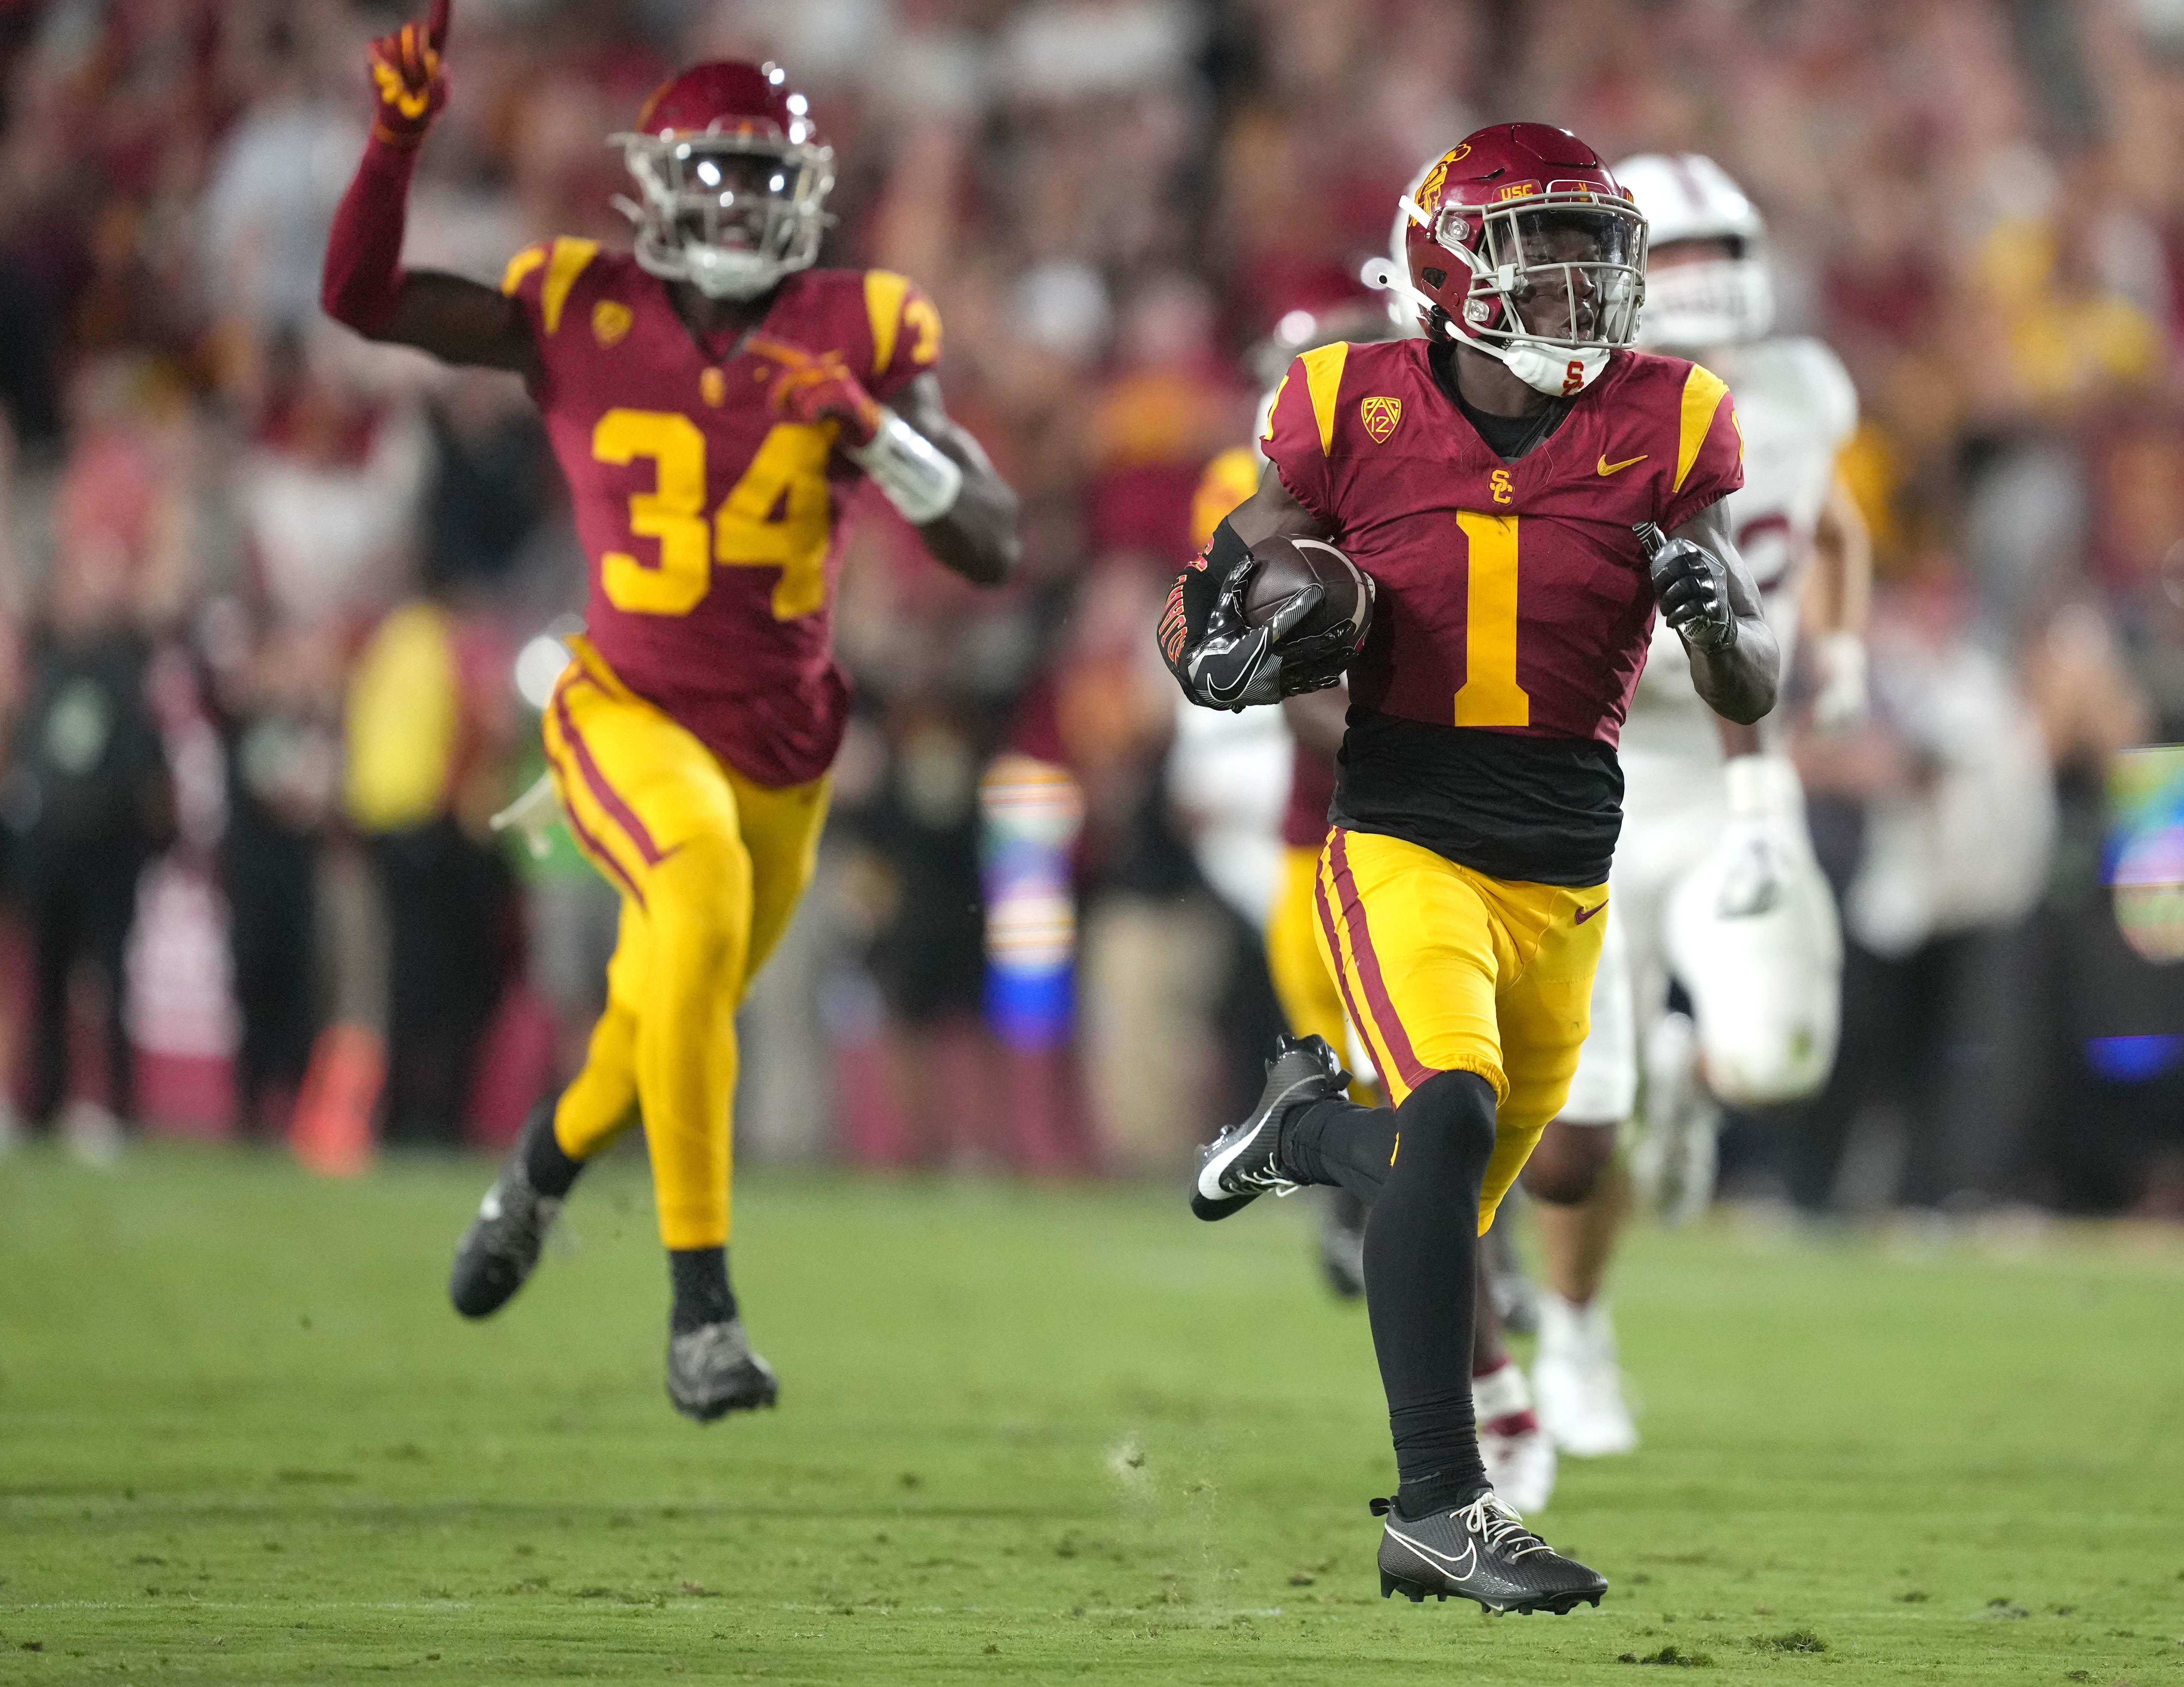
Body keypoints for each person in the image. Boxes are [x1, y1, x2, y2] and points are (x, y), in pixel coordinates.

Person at [318, 6, 1018, 1422]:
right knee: (689, 909)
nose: (737, 200)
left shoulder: (866, 325)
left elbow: (993, 540)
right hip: (625, 706)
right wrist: (395, 142)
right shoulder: (580, 306)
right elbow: (365, 302)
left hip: (786, 741)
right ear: (654, 181)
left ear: (807, 196)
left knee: (661, 1014)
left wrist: (874, 431)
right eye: (714, 171)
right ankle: (703, 1311)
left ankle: (541, 1167)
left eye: (765, 177)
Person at [1160, 123, 1773, 1611]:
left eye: (1590, 257)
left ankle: (1303, 1135)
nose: (1573, 290)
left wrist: (1717, 618)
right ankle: (1444, 1503)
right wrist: (1223, 649)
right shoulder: (1344, 404)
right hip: (1404, 835)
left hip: (1567, 866)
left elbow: (1752, 690)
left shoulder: (1676, 416)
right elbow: (1205, 604)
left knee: (1459, 1201)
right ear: (1450, 266)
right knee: (1441, 1133)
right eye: (1538, 255)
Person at [1509, 151, 1868, 1468]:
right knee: (1571, 1135)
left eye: (1723, 254)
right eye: (1680, 260)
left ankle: (1689, 1080)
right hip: (1594, 770)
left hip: (1729, 770)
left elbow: (1829, 531)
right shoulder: (1555, 406)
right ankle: (1576, 1329)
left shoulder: (1800, 391)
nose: (1706, 286)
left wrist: (1843, 648)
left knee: (1781, 1053)